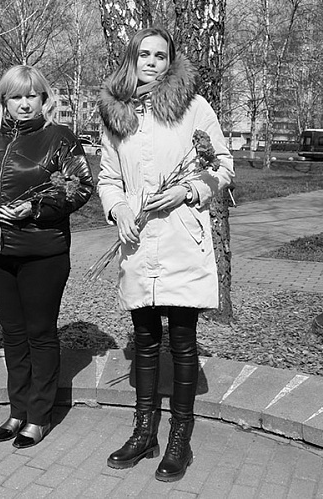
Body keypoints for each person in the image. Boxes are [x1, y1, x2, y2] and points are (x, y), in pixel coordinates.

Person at [97, 27, 234, 481]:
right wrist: (118, 209)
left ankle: (179, 437)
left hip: (180, 237)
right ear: (131, 60)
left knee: (182, 340)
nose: (152, 62)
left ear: (171, 61)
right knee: (145, 339)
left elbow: (222, 165)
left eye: (160, 55)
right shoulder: (117, 113)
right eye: (144, 54)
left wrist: (188, 191)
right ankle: (144, 432)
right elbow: (108, 177)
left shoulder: (194, 108)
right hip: (138, 240)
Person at [0, 65, 93, 449]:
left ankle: (38, 415)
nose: (25, 103)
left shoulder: (59, 138)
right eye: (16, 96)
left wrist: (35, 208)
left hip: (41, 251)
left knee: (40, 333)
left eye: (32, 95)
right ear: (3, 100)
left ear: (44, 98)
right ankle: (17, 410)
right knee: (13, 334)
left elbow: (80, 186)